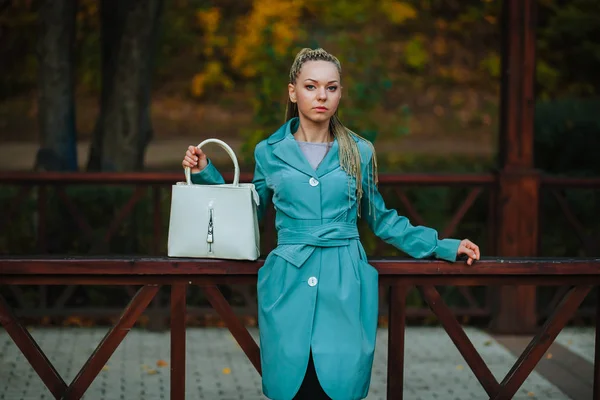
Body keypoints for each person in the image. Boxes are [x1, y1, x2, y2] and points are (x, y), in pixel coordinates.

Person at [181, 48, 480, 400]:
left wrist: (442, 246)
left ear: (340, 93)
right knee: (293, 387)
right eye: (311, 86)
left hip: (345, 281)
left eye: (331, 87)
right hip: (287, 283)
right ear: (293, 92)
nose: (321, 95)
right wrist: (205, 174)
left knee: (340, 385)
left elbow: (380, 219)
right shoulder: (269, 151)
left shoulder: (359, 151)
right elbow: (247, 214)